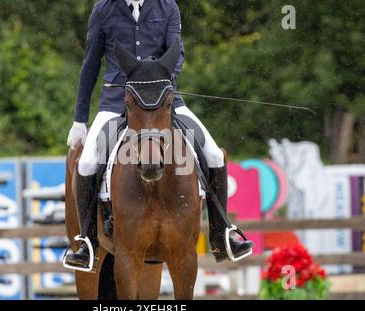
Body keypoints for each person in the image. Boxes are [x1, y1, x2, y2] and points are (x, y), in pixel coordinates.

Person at [65, 0, 253, 271]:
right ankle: (88, 244)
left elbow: (176, 55)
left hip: (163, 101)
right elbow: (91, 64)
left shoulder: (168, 7)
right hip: (117, 101)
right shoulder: (103, 9)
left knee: (213, 153)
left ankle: (221, 235)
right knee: (86, 162)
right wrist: (80, 120)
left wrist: (157, 86)